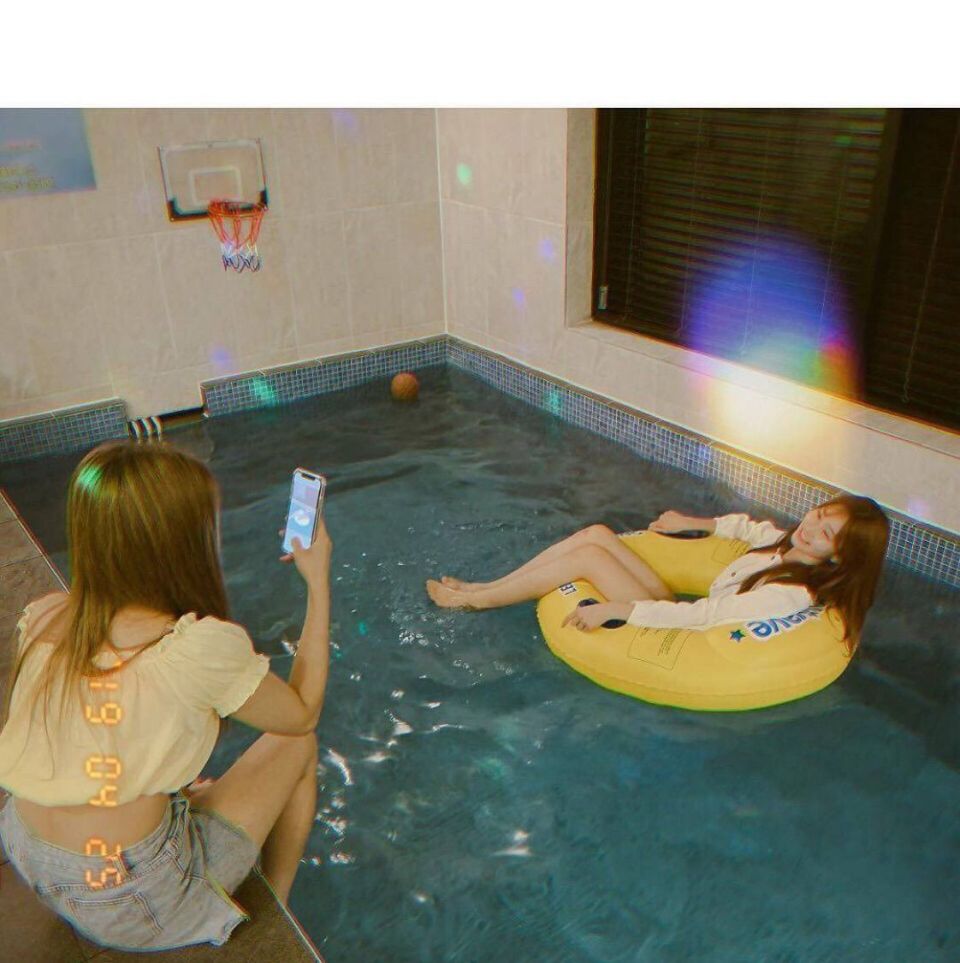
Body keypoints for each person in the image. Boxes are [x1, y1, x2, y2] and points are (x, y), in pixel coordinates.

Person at [0, 441, 332, 952]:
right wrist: (318, 583)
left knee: (177, 780)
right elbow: (302, 714)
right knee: (296, 746)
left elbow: (84, 736)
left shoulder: (45, 616)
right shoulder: (192, 648)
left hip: (30, 854)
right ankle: (274, 914)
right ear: (179, 543)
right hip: (128, 897)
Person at [426, 495, 890, 655]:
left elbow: (707, 616)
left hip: (685, 623)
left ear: (839, 557)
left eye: (827, 534)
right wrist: (694, 522)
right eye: (819, 515)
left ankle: (473, 601)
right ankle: (488, 585)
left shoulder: (790, 593)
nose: (810, 529)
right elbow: (749, 527)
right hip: (681, 603)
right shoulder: (788, 543)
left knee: (588, 560)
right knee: (596, 534)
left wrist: (620, 610)